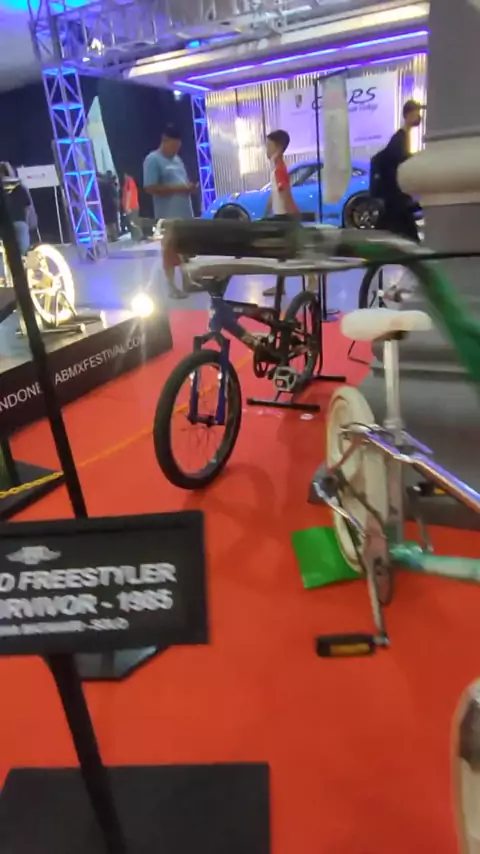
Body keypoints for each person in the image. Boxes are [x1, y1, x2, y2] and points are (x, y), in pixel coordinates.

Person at [143, 125, 198, 300]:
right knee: (169, 250)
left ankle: (188, 280)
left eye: (178, 147)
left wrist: (188, 188)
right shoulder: (153, 160)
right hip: (168, 215)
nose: (175, 151)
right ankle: (172, 287)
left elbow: (182, 181)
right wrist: (178, 188)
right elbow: (150, 187)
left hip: (184, 212)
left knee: (184, 250)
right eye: (173, 146)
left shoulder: (177, 160)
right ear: (164, 141)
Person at [374, 99, 425, 242]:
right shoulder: (399, 138)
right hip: (396, 195)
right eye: (416, 113)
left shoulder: (404, 137)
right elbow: (396, 162)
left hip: (396, 196)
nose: (419, 117)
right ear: (408, 115)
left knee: (392, 230)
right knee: (406, 234)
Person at [263, 129, 299, 297]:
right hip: (281, 214)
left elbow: (284, 192)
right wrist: (267, 210)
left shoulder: (280, 168)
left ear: (277, 147)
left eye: (268, 145)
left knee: (290, 251)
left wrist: (291, 212)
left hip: (284, 216)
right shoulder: (276, 168)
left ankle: (311, 279)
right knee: (283, 254)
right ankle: (281, 286)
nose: (266, 149)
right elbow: (275, 193)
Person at [0, 161, 32, 255]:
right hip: (20, 222)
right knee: (22, 251)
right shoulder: (20, 187)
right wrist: (26, 222)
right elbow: (27, 207)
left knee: (5, 252)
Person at [122, 173, 142, 242]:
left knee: (133, 224)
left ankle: (137, 239)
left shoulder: (129, 181)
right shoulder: (130, 181)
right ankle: (137, 238)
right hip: (133, 206)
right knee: (133, 223)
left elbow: (129, 193)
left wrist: (127, 207)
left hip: (131, 206)